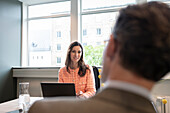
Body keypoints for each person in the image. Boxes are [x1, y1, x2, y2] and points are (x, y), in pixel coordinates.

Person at [29, 2, 170, 113]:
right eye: (73, 52)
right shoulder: (62, 71)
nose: (76, 55)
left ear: (112, 47)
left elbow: (90, 91)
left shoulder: (43, 109)